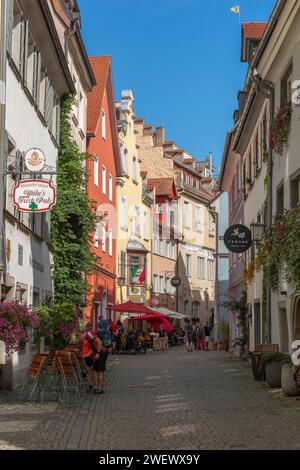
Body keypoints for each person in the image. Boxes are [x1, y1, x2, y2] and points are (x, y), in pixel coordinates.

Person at [82, 323, 102, 393]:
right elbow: (81, 340)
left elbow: (98, 343)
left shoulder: (90, 335)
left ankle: (91, 384)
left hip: (89, 355)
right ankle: (90, 384)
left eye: (86, 329)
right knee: (89, 371)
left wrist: (97, 353)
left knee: (90, 371)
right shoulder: (87, 336)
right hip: (87, 355)